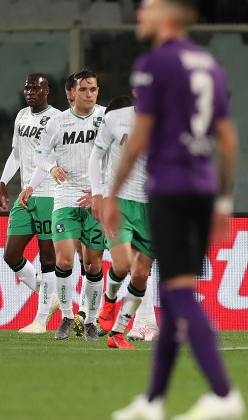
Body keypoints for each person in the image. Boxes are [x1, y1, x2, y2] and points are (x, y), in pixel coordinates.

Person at [109, 0, 244, 418]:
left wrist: (111, 193)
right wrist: (223, 200)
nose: (139, 15)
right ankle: (152, 401)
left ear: (167, 16)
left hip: (169, 185)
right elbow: (228, 139)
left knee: (179, 292)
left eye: (147, 8)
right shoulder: (208, 63)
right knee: (171, 288)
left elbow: (138, 138)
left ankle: (223, 393)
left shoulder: (155, 63)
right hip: (202, 188)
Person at [21, 68, 107, 341]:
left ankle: (91, 320)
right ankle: (67, 317)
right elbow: (40, 157)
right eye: (84, 89)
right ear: (73, 93)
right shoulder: (58, 123)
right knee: (64, 259)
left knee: (93, 265)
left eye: (93, 89)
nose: (89, 94)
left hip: (95, 200)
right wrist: (52, 168)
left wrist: (100, 191)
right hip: (66, 198)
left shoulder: (105, 119)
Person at [88, 94, 158, 349]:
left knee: (140, 275)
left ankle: (117, 333)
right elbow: (95, 158)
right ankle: (108, 300)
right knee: (123, 262)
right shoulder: (115, 117)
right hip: (119, 199)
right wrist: (97, 193)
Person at [0, 73, 61, 334]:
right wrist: (2, 182)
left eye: (37, 87)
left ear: (48, 91)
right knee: (11, 254)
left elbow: (52, 157)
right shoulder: (22, 116)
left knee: (48, 257)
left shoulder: (57, 118)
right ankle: (50, 295)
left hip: (47, 194)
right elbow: (16, 153)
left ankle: (40, 320)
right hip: (25, 195)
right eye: (27, 88)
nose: (31, 91)